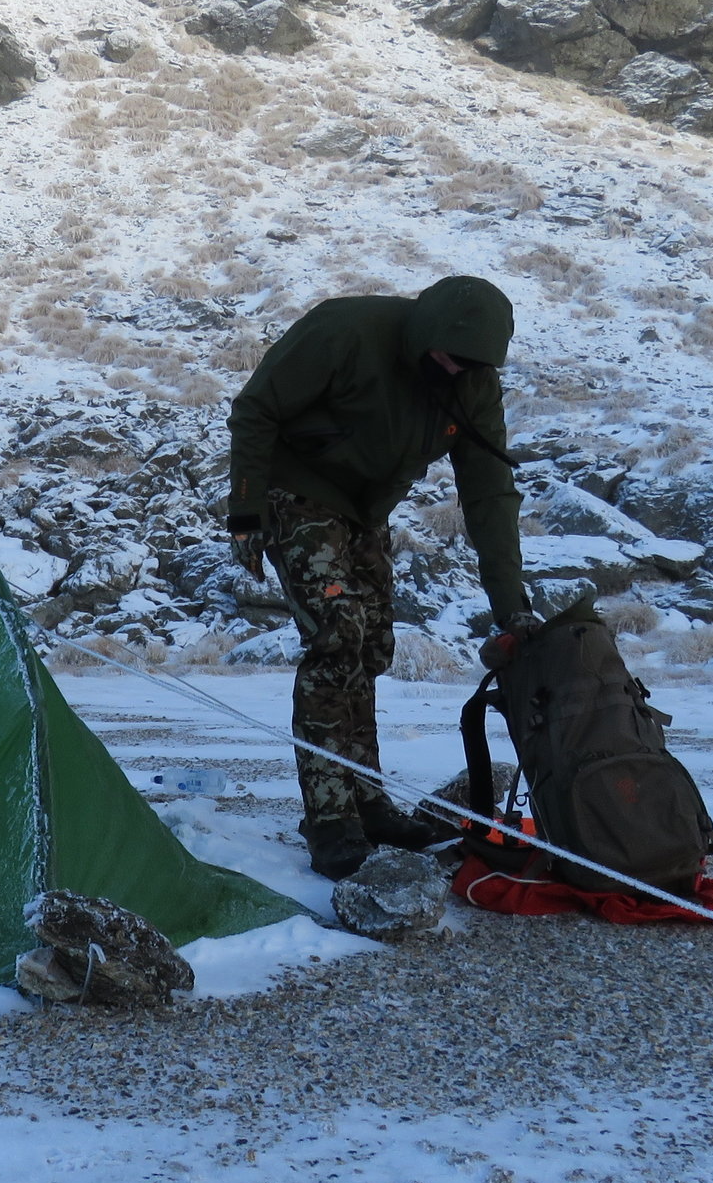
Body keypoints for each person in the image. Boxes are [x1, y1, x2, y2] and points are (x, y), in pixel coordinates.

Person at [226, 275, 533, 880]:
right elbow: (255, 408)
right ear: (424, 335)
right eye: (447, 359)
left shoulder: (471, 385)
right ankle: (329, 817)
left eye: (470, 366)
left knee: (370, 645)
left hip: (365, 511)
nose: (454, 372)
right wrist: (246, 510)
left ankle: (366, 800)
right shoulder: (345, 330)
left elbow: (490, 494)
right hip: (298, 489)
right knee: (336, 634)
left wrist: (510, 605)